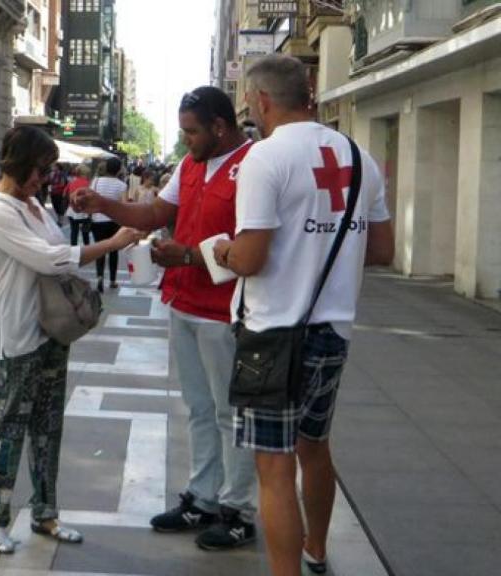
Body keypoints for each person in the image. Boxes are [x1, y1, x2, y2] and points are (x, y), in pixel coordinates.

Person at [211, 54, 394, 576]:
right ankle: (316, 550)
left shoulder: (265, 160)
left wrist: (222, 251)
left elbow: (251, 258)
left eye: (249, 100)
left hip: (272, 335)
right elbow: (381, 251)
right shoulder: (360, 158)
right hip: (333, 331)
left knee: (273, 468)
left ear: (262, 100)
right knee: (315, 446)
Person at [72, 86, 259, 551]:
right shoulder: (191, 165)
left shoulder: (254, 165)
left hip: (226, 309)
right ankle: (203, 497)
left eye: (191, 132)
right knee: (198, 408)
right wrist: (104, 205)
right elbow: (157, 212)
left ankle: (237, 510)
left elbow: (254, 246)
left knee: (229, 413)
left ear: (220, 126)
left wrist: (189, 256)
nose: (186, 140)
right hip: (185, 303)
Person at [0, 126, 138, 554]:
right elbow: (49, 259)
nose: (45, 179)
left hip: (49, 332)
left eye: (48, 171)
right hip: (14, 337)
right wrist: (111, 243)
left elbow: (58, 245)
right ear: (19, 164)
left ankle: (45, 513)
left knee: (49, 428)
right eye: (41, 169)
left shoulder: (34, 205)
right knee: (7, 430)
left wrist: (91, 209)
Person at [89, 157, 128, 292]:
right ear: (118, 170)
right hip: (114, 222)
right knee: (113, 250)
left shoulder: (96, 181)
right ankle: (112, 280)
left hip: (97, 220)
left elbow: (91, 197)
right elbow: (124, 205)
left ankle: (100, 277)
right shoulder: (121, 185)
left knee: (100, 249)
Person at [65, 164, 93, 246]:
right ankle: (87, 250)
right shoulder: (88, 183)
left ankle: (73, 251)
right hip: (85, 211)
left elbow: (68, 195)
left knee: (74, 232)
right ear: (85, 173)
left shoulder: (71, 182)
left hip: (72, 210)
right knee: (85, 233)